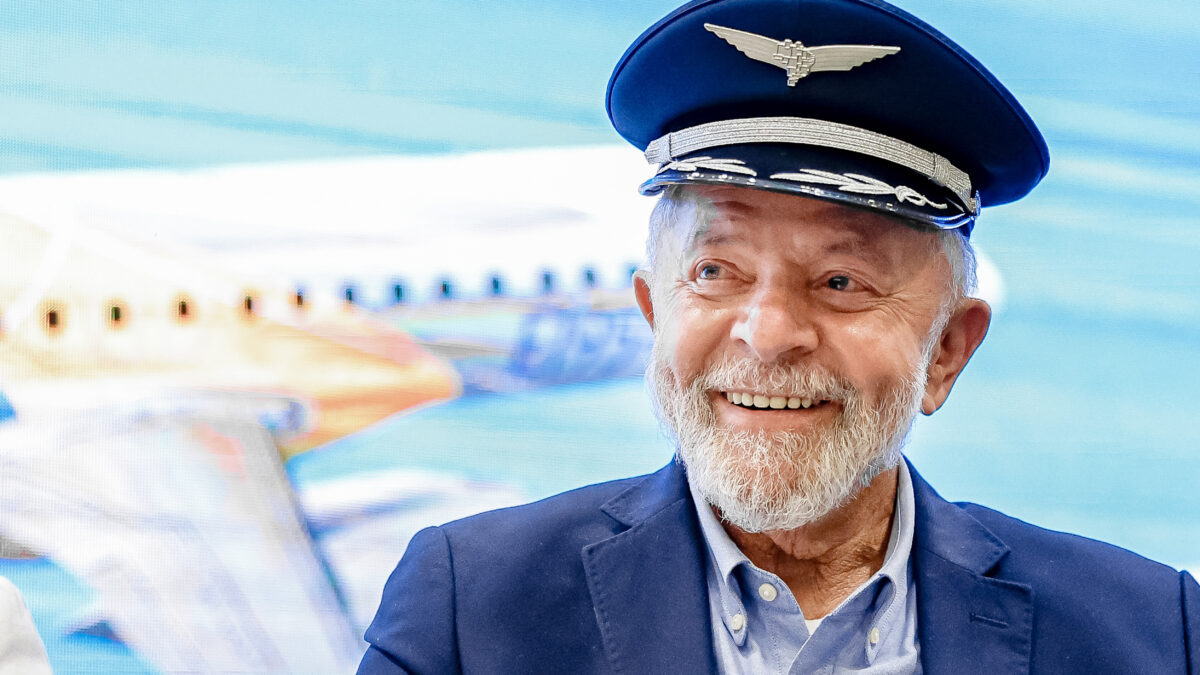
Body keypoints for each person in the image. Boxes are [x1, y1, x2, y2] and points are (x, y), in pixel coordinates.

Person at [359, 0, 1200, 672]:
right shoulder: (470, 610)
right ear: (655, 315)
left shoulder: (1151, 636)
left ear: (947, 349)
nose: (767, 335)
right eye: (716, 271)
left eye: (841, 282)